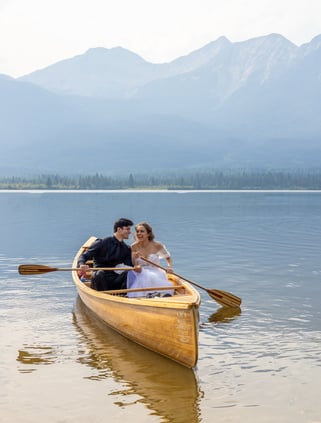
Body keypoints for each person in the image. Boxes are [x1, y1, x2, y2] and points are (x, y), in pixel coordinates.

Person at [78, 218, 134, 291]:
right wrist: (82, 264)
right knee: (100, 273)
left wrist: (135, 259)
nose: (129, 232)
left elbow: (129, 266)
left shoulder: (126, 249)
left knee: (128, 273)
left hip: (115, 278)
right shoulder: (102, 242)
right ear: (119, 229)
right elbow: (84, 256)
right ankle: (101, 295)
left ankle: (122, 295)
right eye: (127, 229)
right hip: (99, 277)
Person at [126, 222, 174, 297]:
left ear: (148, 234)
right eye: (137, 231)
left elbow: (168, 258)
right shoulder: (134, 246)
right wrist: (135, 259)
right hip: (140, 272)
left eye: (142, 231)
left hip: (156, 272)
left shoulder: (157, 245)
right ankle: (150, 295)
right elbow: (134, 264)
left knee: (149, 276)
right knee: (141, 275)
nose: (139, 233)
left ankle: (155, 294)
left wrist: (170, 267)